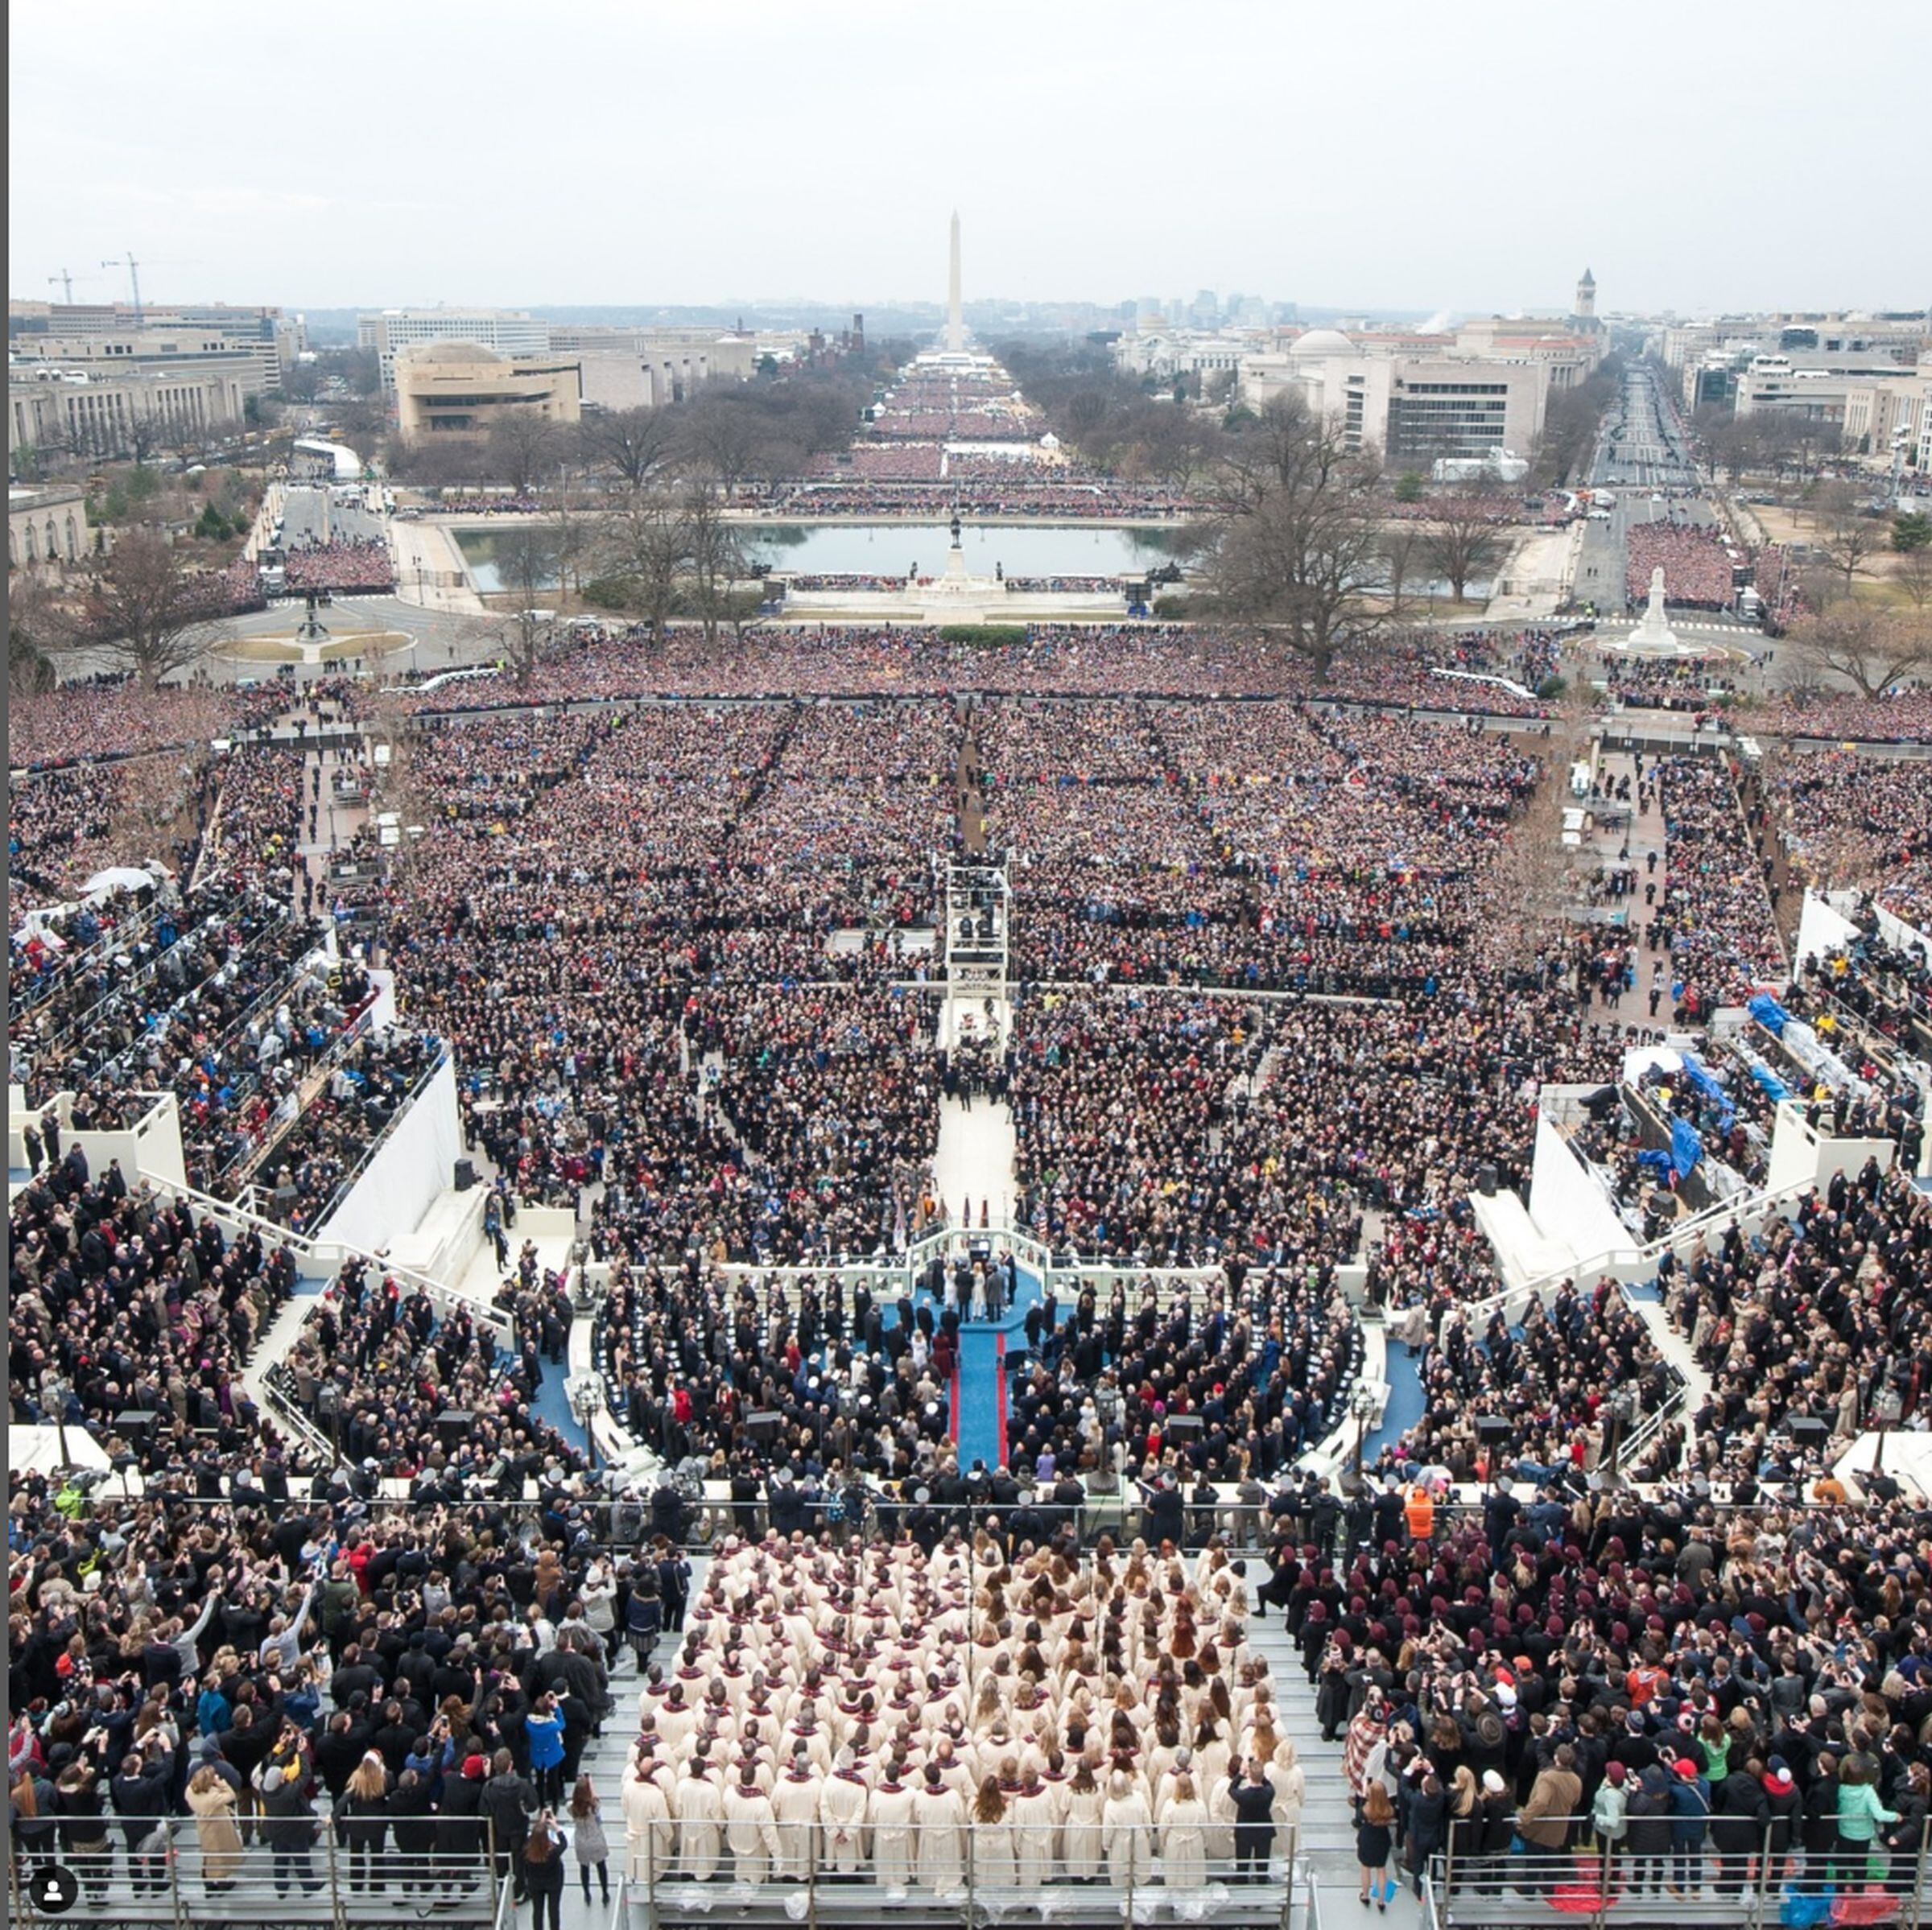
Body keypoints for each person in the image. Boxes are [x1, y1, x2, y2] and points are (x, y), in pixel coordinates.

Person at [336, 1750, 390, 1894]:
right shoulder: (385, 1777)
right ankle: (377, 1887)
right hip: (377, 1824)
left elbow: (344, 1799)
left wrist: (333, 1817)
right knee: (377, 1856)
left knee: (356, 1856)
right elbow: (392, 1790)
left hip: (357, 1823)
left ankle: (356, 1885)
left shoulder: (356, 1777)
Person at [188, 1763, 245, 1895]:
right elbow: (231, 1795)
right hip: (218, 1827)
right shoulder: (213, 1798)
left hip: (204, 1827)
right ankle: (221, 1883)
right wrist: (220, 1783)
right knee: (220, 1856)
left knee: (207, 1856)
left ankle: (208, 1882)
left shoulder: (190, 1791)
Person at [1229, 1755, 1277, 1883]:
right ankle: (1262, 1882)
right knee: (1262, 1862)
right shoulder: (1269, 1793)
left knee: (1243, 1863)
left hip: (1245, 1832)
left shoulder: (1243, 1796)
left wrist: (1241, 1774)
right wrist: (1259, 1773)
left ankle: (1242, 1882)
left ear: (1249, 1775)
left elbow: (1232, 1789)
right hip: (1263, 1831)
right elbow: (1267, 1784)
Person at [1161, 1771, 1210, 1891]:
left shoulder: (1170, 1805)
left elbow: (1163, 1828)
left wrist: (1163, 1842)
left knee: (1175, 1875)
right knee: (1193, 1874)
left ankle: (1175, 1900)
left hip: (1175, 1843)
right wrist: (1205, 1843)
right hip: (1194, 1843)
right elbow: (1205, 1828)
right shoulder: (1200, 1805)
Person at [522, 1810, 568, 1930]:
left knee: (537, 1911)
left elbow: (534, 1837)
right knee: (554, 1911)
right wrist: (555, 1825)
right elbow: (564, 1843)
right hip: (554, 1883)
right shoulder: (553, 1852)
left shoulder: (527, 1851)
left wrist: (541, 1822)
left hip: (535, 1884)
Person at [571, 1772, 612, 1907]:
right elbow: (595, 1798)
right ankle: (605, 1893)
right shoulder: (594, 1807)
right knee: (601, 1868)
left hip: (581, 1841)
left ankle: (587, 1893)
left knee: (584, 1868)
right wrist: (591, 1782)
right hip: (596, 1840)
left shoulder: (572, 1808)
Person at [1357, 1782, 1395, 1910]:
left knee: (1365, 1868)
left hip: (1367, 1839)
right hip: (1382, 1840)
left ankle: (1366, 1895)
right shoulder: (1389, 1810)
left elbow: (1357, 1820)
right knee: (1381, 1870)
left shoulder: (1365, 1809)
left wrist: (1363, 1797)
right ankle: (1381, 1901)